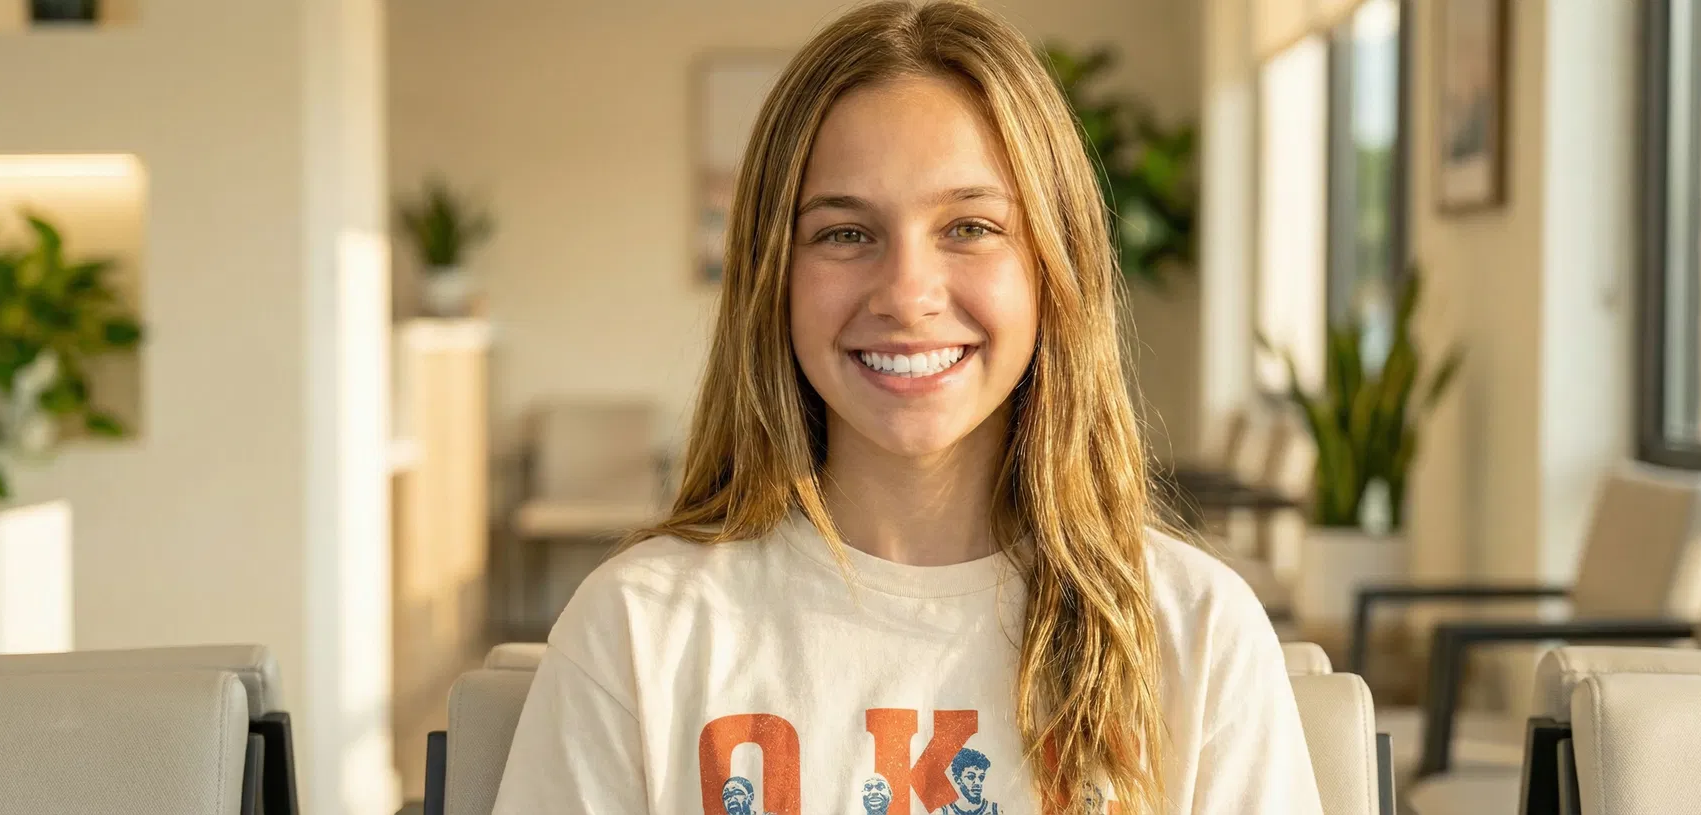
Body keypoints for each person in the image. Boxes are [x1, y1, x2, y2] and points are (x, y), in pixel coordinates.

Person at [493, 2, 1319, 813]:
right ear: (772, 275)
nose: (907, 294)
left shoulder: (1196, 632)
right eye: (845, 233)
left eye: (969, 226)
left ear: (1052, 267)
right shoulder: (637, 631)